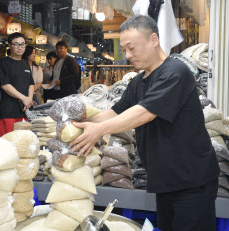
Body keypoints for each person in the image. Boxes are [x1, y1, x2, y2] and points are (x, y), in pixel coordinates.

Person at [70, 15, 219, 231]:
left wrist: (99, 130)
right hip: (165, 180)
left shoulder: (176, 72)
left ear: (154, 39)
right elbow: (114, 111)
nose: (128, 55)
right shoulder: (139, 81)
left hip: (192, 181)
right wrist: (80, 123)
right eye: (124, 49)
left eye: (132, 48)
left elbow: (145, 112)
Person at [0, 32, 35, 136]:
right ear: (9, 45)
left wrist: (29, 99)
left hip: (24, 110)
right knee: (8, 141)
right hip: (9, 110)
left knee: (23, 141)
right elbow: (5, 85)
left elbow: (31, 83)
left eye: (22, 44)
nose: (20, 47)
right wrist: (24, 98)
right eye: (16, 44)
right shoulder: (4, 62)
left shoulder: (25, 63)